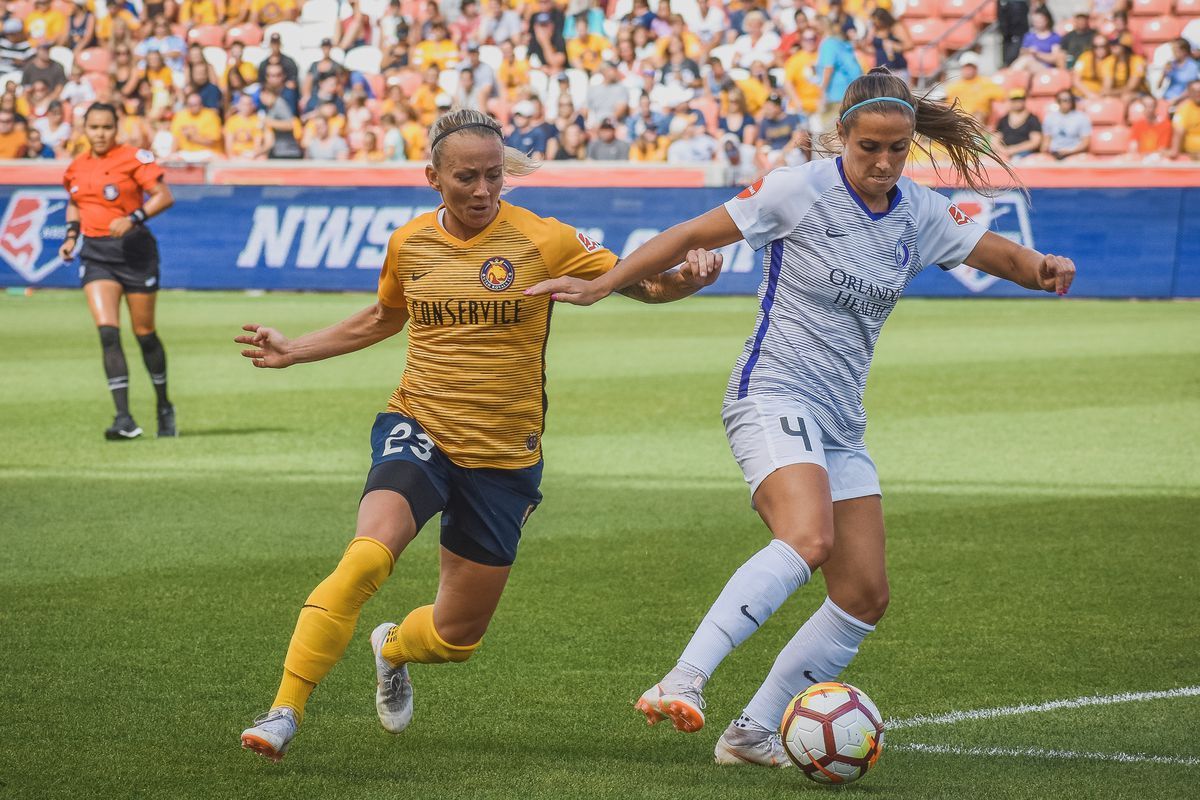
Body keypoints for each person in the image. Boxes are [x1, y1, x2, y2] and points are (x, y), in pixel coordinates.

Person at [525, 67, 1076, 767]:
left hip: (841, 420)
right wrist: (602, 286)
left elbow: (996, 254)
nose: (882, 163)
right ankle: (684, 676)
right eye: (869, 147)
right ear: (841, 136)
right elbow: (692, 231)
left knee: (864, 595)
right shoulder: (798, 189)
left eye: (898, 149)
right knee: (807, 536)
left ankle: (751, 732)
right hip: (772, 393)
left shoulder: (918, 211)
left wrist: (1043, 268)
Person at [235, 107, 721, 762]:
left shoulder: (547, 239)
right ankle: (283, 711)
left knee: (456, 637)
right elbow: (384, 317)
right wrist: (296, 349)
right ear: (433, 176)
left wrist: (690, 278)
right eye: (467, 177)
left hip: (502, 456)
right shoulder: (409, 243)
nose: (483, 191)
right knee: (367, 557)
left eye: (494, 176)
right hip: (419, 427)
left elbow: (647, 285)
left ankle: (393, 648)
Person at [58, 102, 177, 440]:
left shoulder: (133, 158)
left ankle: (164, 405)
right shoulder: (76, 166)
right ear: (84, 128)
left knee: (144, 334)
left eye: (106, 127)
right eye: (93, 127)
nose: (99, 134)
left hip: (135, 253)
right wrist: (70, 237)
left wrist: (134, 217)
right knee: (108, 333)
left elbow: (163, 196)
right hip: (96, 255)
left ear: (116, 128)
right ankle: (124, 418)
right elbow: (75, 202)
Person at [1041, 91, 1091, 160]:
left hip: (1074, 153)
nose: (1066, 102)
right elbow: (1046, 140)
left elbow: (1085, 142)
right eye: (1063, 100)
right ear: (1058, 101)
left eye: (1069, 99)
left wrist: (1069, 151)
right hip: (1054, 153)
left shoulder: (1082, 117)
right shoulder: (1050, 117)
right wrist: (1045, 152)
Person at [994, 89, 1042, 159]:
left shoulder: (1032, 119)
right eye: (1014, 100)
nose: (1017, 102)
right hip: (1004, 152)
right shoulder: (1003, 119)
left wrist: (1013, 149)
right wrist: (1003, 150)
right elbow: (995, 139)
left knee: (1017, 159)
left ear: (1024, 101)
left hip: (1025, 153)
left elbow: (1035, 142)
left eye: (1020, 99)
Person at [1169, 80, 1200, 160]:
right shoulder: (1183, 109)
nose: (1198, 94)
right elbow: (1179, 132)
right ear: (1189, 92)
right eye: (1194, 91)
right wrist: (1175, 154)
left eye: (1199, 90)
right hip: (1189, 155)